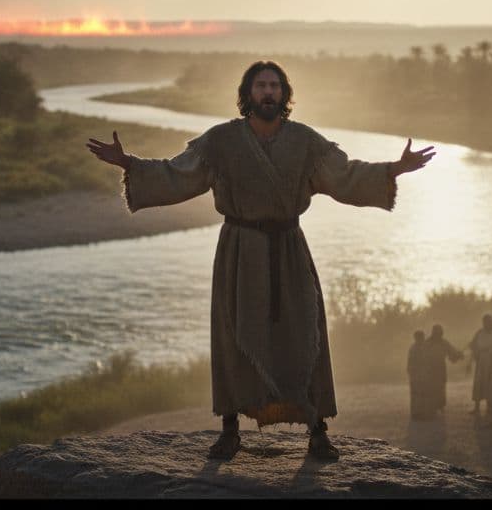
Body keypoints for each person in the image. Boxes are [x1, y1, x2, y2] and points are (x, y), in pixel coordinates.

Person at [87, 60, 435, 461]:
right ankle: (230, 430)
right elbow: (177, 173)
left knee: (306, 331)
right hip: (240, 250)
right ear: (248, 94)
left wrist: (395, 168)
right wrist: (128, 162)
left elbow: (346, 176)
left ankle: (317, 430)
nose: (268, 92)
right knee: (234, 336)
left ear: (284, 95)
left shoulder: (306, 142)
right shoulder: (220, 141)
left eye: (274, 86)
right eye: (260, 86)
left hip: (289, 248)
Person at [419, 323, 464, 417]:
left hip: (440, 367)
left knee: (440, 386)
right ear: (433, 332)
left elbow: (452, 353)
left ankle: (440, 406)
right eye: (437, 332)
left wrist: (458, 355)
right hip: (430, 368)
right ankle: (432, 406)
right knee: (431, 387)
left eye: (440, 332)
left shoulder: (444, 343)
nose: (439, 334)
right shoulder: (427, 343)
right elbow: (422, 355)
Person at [467, 314, 492, 415]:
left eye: (489, 321)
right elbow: (473, 345)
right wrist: (470, 361)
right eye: (485, 322)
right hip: (480, 360)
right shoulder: (479, 332)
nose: (487, 324)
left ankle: (489, 407)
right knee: (478, 382)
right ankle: (476, 407)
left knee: (489, 383)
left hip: (491, 361)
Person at [407, 330, 429, 420]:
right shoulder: (416, 348)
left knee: (419, 394)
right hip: (417, 374)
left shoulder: (416, 348)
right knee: (417, 394)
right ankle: (417, 413)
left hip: (418, 374)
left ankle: (419, 412)